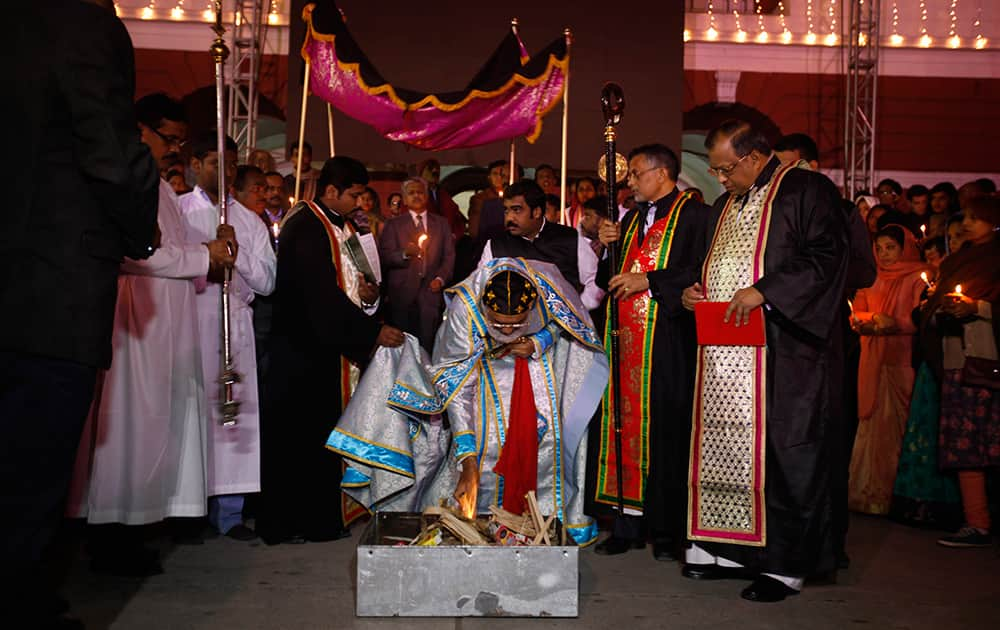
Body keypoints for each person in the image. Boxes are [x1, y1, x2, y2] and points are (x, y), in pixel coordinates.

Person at [3, 1, 159, 625]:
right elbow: (112, 155)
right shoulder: (78, 25)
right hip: (47, 288)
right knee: (26, 481)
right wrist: (140, 231)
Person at [682, 120, 849, 602]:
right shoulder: (726, 204)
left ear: (754, 158)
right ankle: (735, 549)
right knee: (734, 451)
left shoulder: (804, 190)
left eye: (724, 169)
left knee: (786, 450)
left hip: (786, 349)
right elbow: (714, 264)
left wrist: (766, 292)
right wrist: (699, 291)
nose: (720, 179)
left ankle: (786, 563)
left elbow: (827, 258)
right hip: (727, 354)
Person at [331, 259, 608, 544]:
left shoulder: (547, 283)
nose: (509, 331)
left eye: (517, 324)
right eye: (500, 324)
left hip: (538, 364)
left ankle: (548, 523)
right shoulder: (466, 308)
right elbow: (459, 388)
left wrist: (539, 341)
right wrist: (468, 460)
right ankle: (483, 520)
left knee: (547, 438)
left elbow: (571, 323)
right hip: (484, 367)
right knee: (487, 446)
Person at [256, 156, 404, 545]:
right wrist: (370, 332)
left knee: (322, 435)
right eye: (354, 194)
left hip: (327, 346)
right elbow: (318, 295)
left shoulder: (339, 224)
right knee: (302, 439)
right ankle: (300, 522)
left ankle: (322, 516)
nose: (359, 203)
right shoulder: (305, 225)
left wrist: (369, 298)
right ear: (331, 190)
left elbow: (352, 282)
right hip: (305, 349)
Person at [592, 144, 717, 560]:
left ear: (662, 173)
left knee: (667, 432)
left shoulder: (695, 214)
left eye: (637, 174)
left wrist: (650, 281)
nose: (630, 182)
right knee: (623, 431)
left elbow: (703, 268)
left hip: (667, 341)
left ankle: (667, 531)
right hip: (626, 343)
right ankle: (626, 524)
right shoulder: (629, 218)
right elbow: (609, 279)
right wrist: (608, 247)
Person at [180, 141, 277, 542]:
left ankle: (230, 512)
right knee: (191, 414)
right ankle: (186, 510)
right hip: (191, 319)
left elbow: (268, 282)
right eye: (218, 163)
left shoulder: (250, 221)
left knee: (232, 417)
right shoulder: (179, 209)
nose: (227, 172)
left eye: (234, 165)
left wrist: (236, 254)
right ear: (196, 164)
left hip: (234, 324)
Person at [922, 197, 1000, 548]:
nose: (967, 222)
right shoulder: (957, 260)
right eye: (965, 216)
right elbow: (935, 303)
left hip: (989, 356)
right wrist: (940, 309)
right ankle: (976, 522)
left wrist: (977, 306)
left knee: (991, 442)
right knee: (965, 444)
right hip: (956, 359)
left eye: (975, 217)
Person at [848, 226, 928, 515]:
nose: (883, 254)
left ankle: (898, 497)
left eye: (890, 248)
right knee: (871, 428)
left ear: (905, 248)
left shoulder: (918, 277)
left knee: (898, 427)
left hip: (901, 361)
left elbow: (921, 317)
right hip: (872, 360)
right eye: (878, 248)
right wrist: (870, 320)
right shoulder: (872, 277)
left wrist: (893, 322)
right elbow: (856, 312)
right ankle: (867, 495)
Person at [889, 233, 962, 531]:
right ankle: (918, 502)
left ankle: (956, 508)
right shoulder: (942, 277)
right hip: (928, 364)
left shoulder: (972, 269)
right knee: (923, 432)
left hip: (953, 361)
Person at [479, 179, 603, 312]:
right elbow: (479, 285)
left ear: (536, 212)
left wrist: (577, 311)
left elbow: (595, 281)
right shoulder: (496, 244)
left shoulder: (570, 238)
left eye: (517, 210)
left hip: (561, 326)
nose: (510, 218)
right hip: (513, 325)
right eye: (506, 211)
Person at [379, 178, 455, 352]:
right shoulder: (393, 224)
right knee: (403, 343)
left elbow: (449, 256)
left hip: (431, 291)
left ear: (426, 196)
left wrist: (440, 278)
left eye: (420, 192)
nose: (416, 196)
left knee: (428, 342)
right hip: (402, 293)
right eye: (411, 193)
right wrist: (405, 253)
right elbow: (385, 256)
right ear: (404, 199)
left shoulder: (441, 223)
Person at [419, 158, 465, 240]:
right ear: (422, 173)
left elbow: (457, 218)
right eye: (430, 168)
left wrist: (454, 235)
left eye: (437, 169)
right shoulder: (416, 194)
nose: (434, 171)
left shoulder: (444, 194)